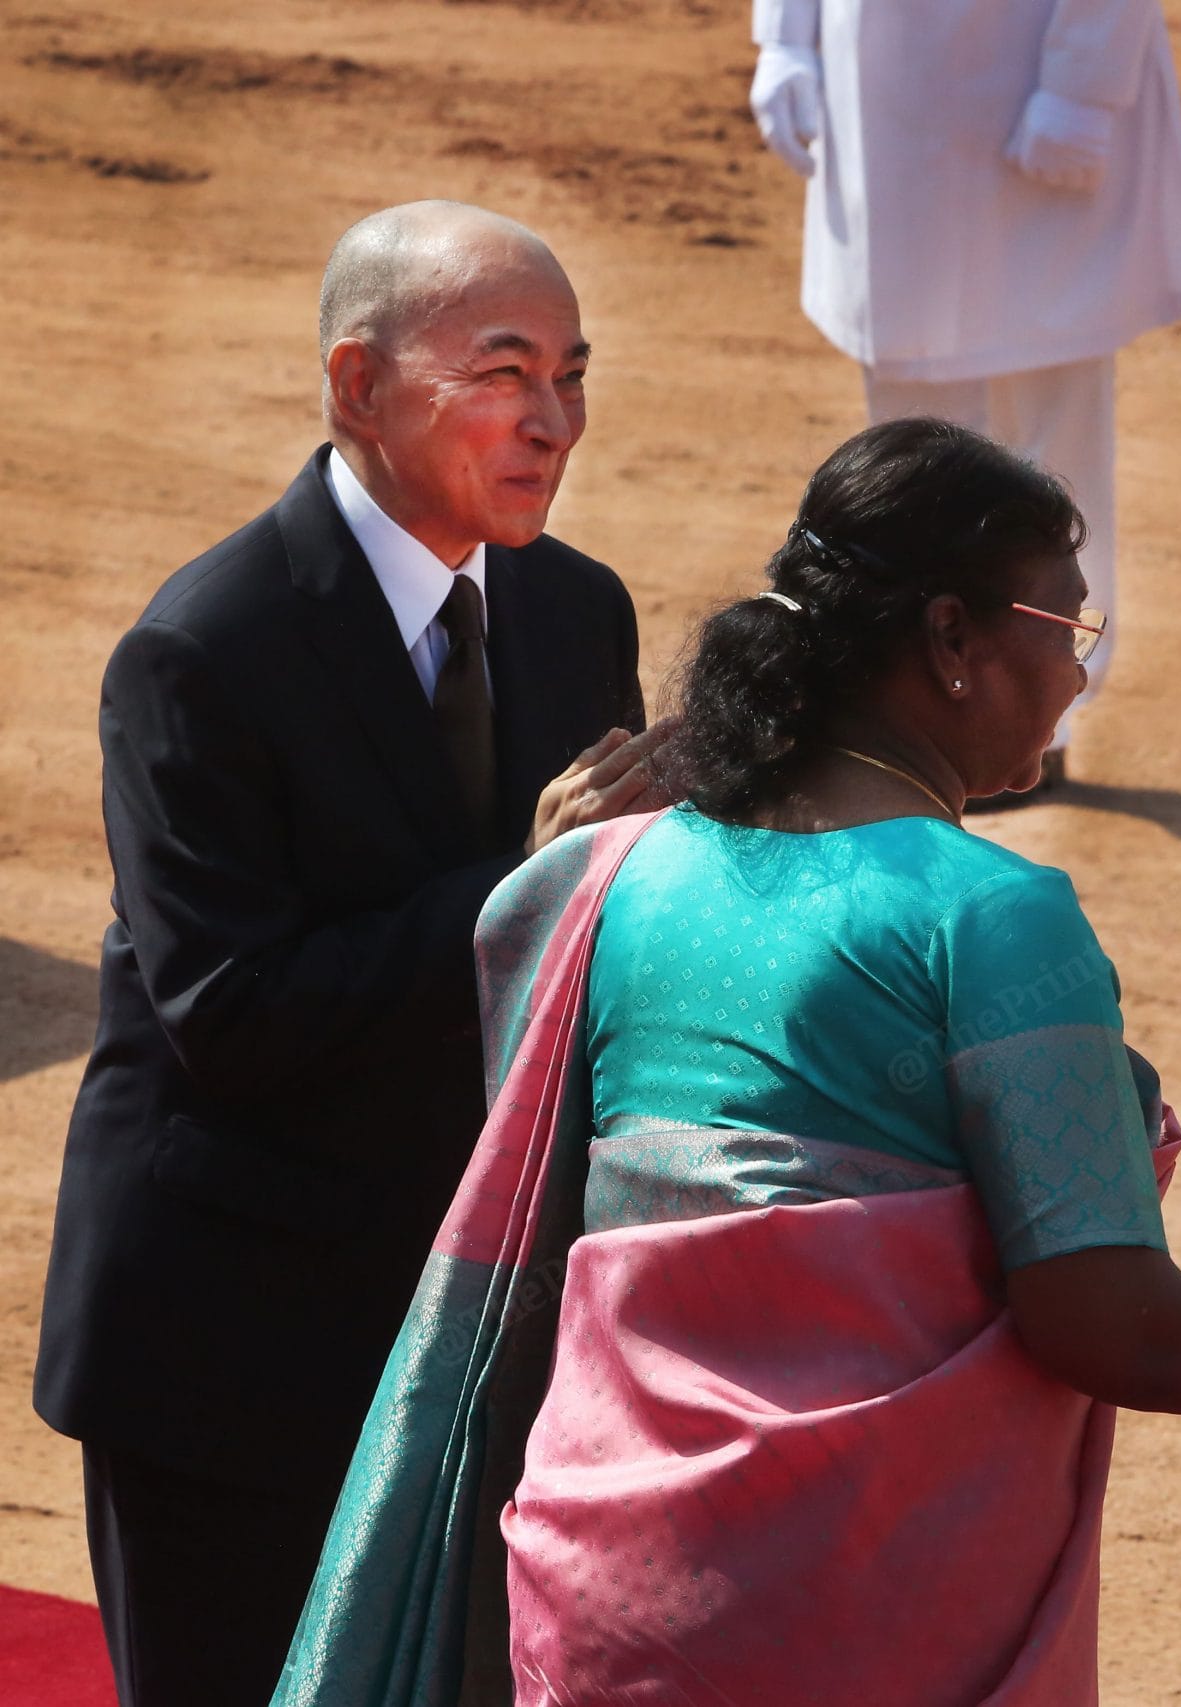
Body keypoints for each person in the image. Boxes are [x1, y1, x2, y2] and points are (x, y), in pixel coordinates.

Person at [273, 418, 1181, 1706]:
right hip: (851, 1615)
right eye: (1066, 632)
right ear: (953, 638)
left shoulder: (619, 873)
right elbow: (1115, 1325)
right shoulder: (991, 916)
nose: (1077, 678)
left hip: (601, 1585)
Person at [33, 200, 668, 1707]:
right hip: (231, 1343)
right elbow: (233, 1013)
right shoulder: (204, 649)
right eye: (503, 373)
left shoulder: (577, 611)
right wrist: (525, 875)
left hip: (468, 1325)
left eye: (573, 374)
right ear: (355, 383)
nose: (552, 420)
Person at [746, 0, 1181, 800]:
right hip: (885, 91)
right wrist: (785, 37)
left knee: (1056, 423)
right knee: (909, 420)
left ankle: (1042, 712)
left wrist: (1084, 88)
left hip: (1035, 72)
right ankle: (916, 701)